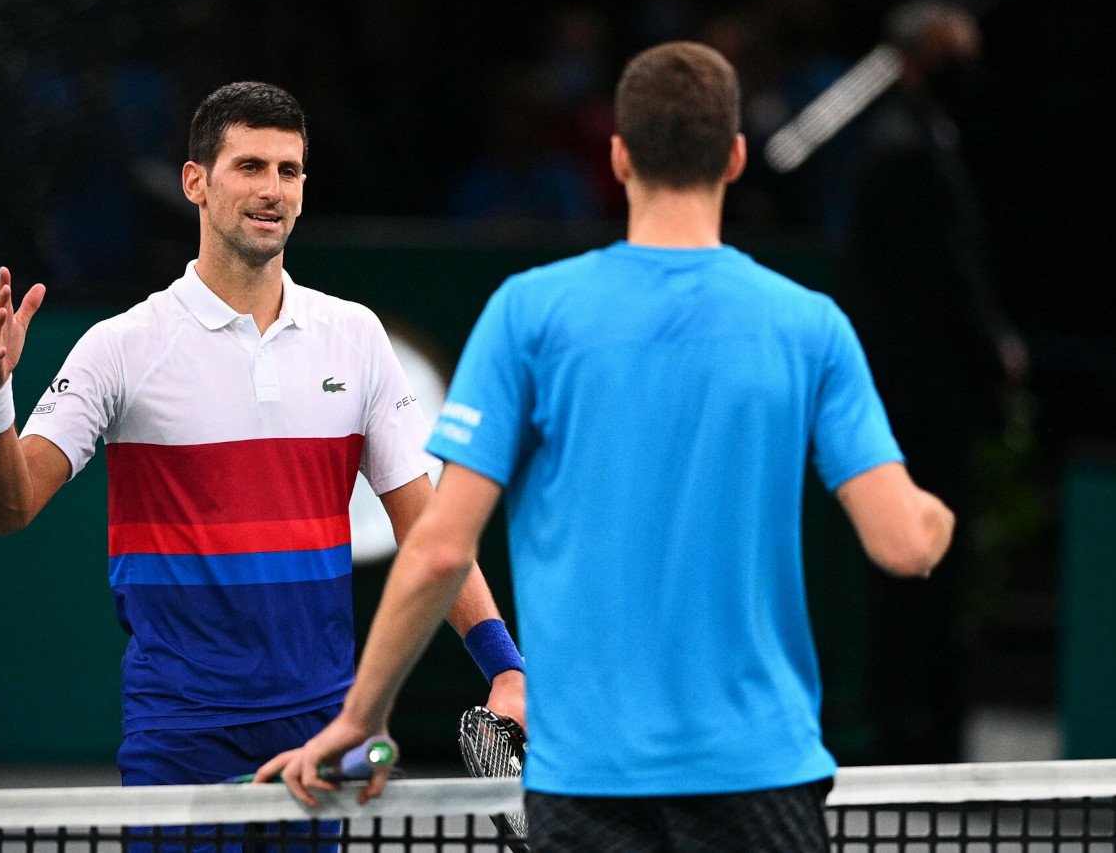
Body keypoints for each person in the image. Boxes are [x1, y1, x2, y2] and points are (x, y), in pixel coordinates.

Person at [257, 42, 954, 852]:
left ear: (620, 158)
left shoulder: (530, 313)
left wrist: (360, 716)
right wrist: (934, 515)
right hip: (759, 778)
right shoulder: (810, 325)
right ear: (733, 157)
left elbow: (440, 549)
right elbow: (904, 542)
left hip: (586, 789)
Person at [0, 81, 525, 796]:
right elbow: (5, 507)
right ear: (196, 182)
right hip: (179, 737)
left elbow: (430, 532)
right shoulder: (121, 346)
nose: (273, 190)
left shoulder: (355, 337)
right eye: (251, 167)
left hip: (325, 734)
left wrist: (504, 667)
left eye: (289, 171)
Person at [842, 0, 1028, 765]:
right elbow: (943, 278)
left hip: (927, 397)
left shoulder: (925, 141)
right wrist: (996, 353)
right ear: (916, 62)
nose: (969, 72)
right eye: (955, 55)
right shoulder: (902, 150)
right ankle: (909, 736)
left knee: (931, 571)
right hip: (914, 402)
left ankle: (926, 730)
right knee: (911, 568)